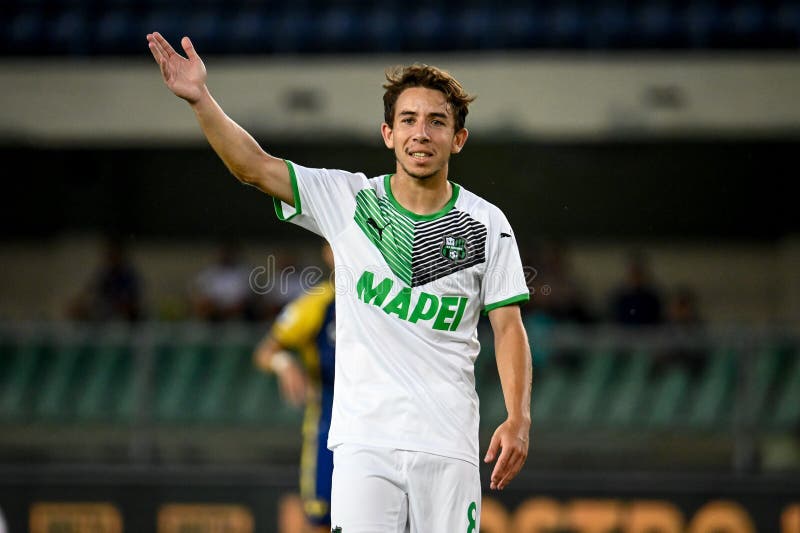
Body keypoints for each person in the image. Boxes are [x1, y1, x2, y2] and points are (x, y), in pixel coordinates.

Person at [146, 32, 532, 532]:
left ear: (457, 138)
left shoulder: (487, 224)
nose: (421, 133)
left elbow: (508, 327)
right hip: (362, 445)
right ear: (387, 134)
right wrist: (201, 100)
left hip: (449, 443)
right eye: (408, 120)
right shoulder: (348, 200)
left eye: (437, 122)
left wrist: (518, 418)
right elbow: (253, 167)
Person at [254, 241, 336, 533]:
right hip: (330, 426)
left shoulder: (387, 300)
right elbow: (266, 350)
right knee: (321, 518)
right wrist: (284, 362)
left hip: (383, 426)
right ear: (328, 253)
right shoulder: (318, 304)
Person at [66, 235, 143, 322]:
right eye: (109, 253)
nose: (109, 257)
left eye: (112, 253)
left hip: (120, 315)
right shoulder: (106, 274)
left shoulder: (128, 275)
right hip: (106, 312)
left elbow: (133, 302)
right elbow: (90, 292)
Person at [189, 239, 255, 321]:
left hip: (238, 316)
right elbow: (198, 297)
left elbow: (245, 300)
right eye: (222, 252)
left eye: (228, 253)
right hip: (212, 316)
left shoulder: (245, 273)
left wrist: (227, 310)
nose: (225, 255)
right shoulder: (208, 274)